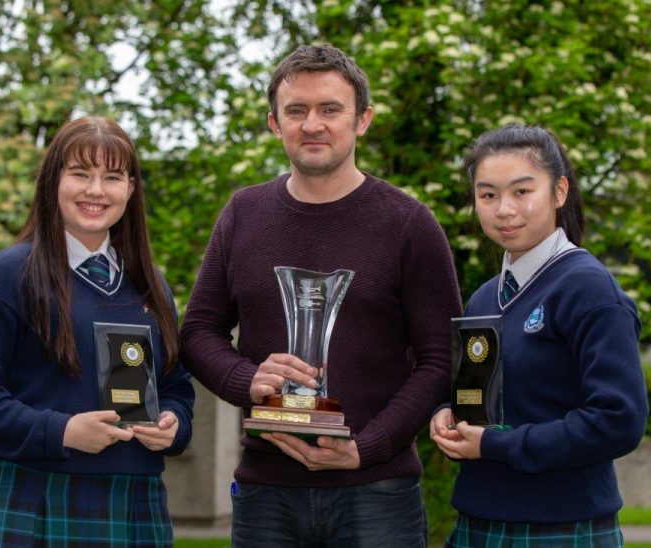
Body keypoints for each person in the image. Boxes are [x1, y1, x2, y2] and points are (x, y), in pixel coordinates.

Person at [180, 44, 462, 547]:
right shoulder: (242, 214)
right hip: (267, 491)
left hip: (378, 491)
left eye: (330, 109)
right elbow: (199, 332)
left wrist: (367, 447)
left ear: (363, 120)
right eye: (297, 110)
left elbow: (441, 360)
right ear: (274, 122)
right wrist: (248, 380)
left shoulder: (409, 224)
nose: (313, 124)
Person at [0, 116, 194, 547]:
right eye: (80, 174)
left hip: (137, 503)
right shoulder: (10, 274)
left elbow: (175, 387)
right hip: (33, 496)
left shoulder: (151, 285)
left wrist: (175, 424)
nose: (96, 190)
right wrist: (60, 432)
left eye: (112, 177)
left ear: (131, 189)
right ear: (52, 183)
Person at [430, 125, 648, 547]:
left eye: (521, 191)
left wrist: (497, 445)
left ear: (559, 191)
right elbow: (484, 398)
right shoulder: (483, 298)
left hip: (561, 527)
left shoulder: (589, 289)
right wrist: (447, 412)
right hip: (478, 519)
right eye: (488, 195)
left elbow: (619, 420)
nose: (504, 210)